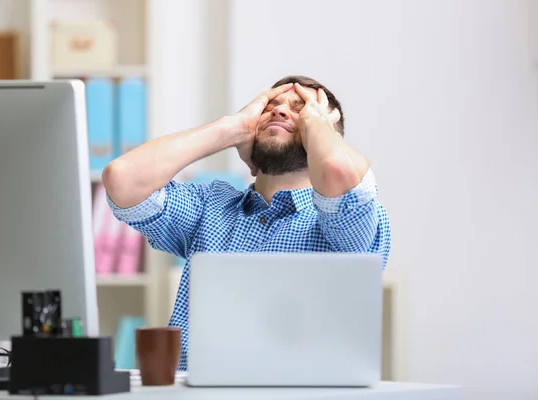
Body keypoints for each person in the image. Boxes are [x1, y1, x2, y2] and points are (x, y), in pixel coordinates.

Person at [103, 75, 392, 371]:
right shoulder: (211, 205)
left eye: (301, 108)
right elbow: (122, 178)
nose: (280, 111)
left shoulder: (352, 219)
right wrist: (233, 128)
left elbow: (337, 169)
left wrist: (317, 126)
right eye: (270, 105)